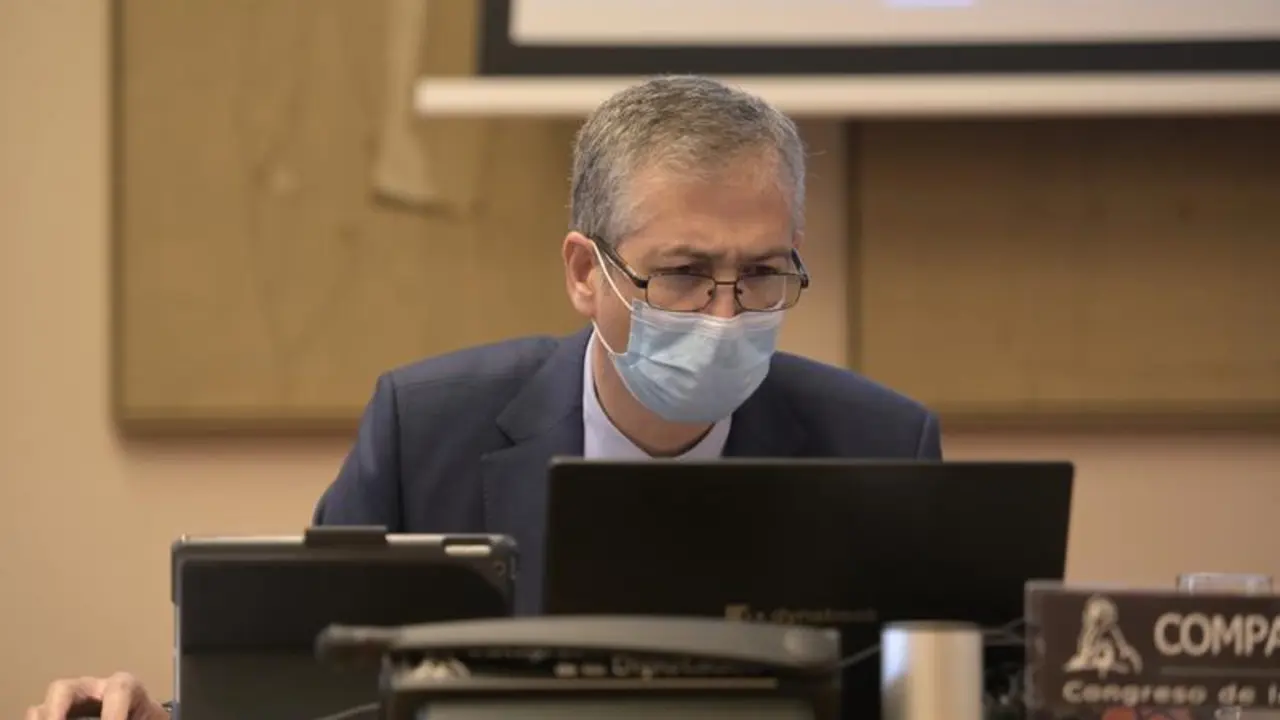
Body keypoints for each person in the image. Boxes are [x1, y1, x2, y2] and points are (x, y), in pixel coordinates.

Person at [28, 75, 941, 719]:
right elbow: (305, 695)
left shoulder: (880, 445)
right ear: (584, 273)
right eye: (684, 273)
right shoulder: (426, 429)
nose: (726, 312)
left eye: (764, 272)